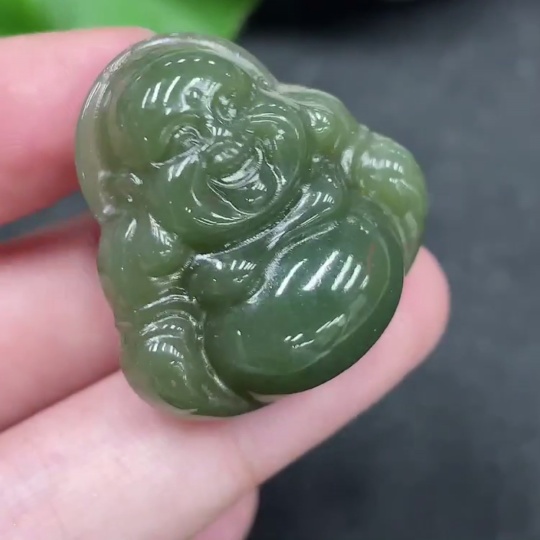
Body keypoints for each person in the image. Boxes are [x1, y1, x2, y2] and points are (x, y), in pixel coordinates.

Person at [0, 28, 449, 540]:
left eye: (234, 110)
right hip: (253, 333)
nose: (229, 146)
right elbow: (156, 334)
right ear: (136, 190)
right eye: (183, 144)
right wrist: (188, 375)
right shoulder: (151, 240)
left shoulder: (316, 132)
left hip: (360, 253)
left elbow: (378, 164)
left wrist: (389, 189)